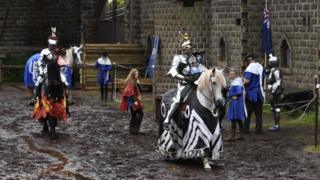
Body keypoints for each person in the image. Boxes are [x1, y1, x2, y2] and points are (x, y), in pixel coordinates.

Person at [162, 32, 207, 129]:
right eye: (187, 48)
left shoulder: (192, 58)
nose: (189, 50)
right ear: (183, 49)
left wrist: (208, 72)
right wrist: (183, 78)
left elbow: (199, 68)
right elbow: (173, 70)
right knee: (178, 99)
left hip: (195, 83)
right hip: (184, 83)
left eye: (190, 48)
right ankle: (167, 120)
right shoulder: (178, 58)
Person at [243, 53, 265, 134]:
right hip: (260, 93)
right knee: (258, 113)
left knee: (248, 112)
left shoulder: (250, 68)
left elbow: (247, 81)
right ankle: (259, 129)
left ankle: (246, 129)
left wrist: (241, 83)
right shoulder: (260, 67)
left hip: (251, 93)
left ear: (249, 60)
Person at [120, 69, 144, 135]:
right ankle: (135, 129)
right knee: (140, 114)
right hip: (133, 100)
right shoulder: (131, 82)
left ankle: (132, 130)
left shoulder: (135, 81)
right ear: (133, 74)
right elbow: (130, 93)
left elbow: (140, 90)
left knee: (134, 115)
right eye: (136, 74)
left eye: (137, 74)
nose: (137, 75)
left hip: (135, 100)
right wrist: (134, 101)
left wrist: (138, 83)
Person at [226, 69, 246, 141]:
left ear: (235, 75)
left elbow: (239, 91)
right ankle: (241, 135)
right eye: (230, 74)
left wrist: (235, 96)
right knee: (238, 119)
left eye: (233, 74)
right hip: (235, 102)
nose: (231, 75)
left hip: (236, 103)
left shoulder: (236, 82)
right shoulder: (234, 82)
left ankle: (232, 136)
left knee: (234, 118)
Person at [267, 54, 283, 131]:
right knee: (273, 108)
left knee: (276, 108)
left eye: (270, 62)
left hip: (276, 92)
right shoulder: (272, 70)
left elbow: (278, 82)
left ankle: (277, 125)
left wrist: (272, 92)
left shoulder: (276, 70)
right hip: (273, 91)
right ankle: (275, 124)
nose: (269, 63)